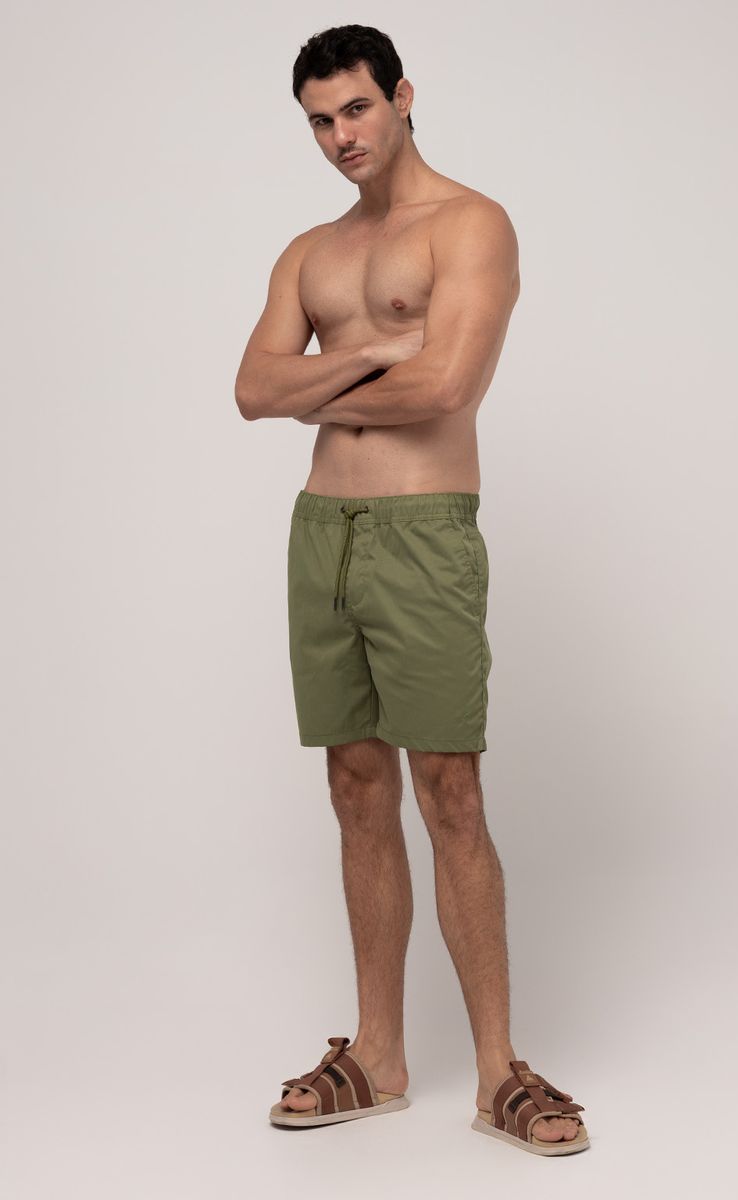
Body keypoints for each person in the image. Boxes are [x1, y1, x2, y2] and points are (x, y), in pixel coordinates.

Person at [235, 24, 590, 1157]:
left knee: (448, 791)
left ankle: (497, 1074)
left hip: (423, 531)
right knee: (353, 786)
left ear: (400, 96)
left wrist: (313, 380)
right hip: (321, 536)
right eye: (319, 121)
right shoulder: (310, 250)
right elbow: (251, 389)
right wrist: (362, 357)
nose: (340, 136)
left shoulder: (470, 224)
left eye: (355, 109)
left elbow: (445, 387)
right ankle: (378, 1058)